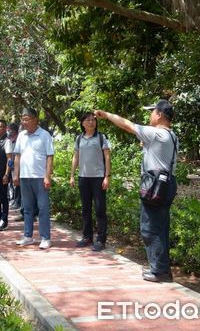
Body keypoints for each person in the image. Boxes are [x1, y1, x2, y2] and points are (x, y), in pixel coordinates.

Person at [95, 99, 179, 282]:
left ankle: (159, 271)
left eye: (152, 112)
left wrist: (107, 115)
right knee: (161, 226)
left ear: (159, 115)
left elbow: (127, 125)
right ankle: (162, 268)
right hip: (168, 183)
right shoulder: (172, 136)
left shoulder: (156, 134)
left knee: (149, 228)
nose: (150, 115)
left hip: (155, 185)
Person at [13, 108, 55, 250]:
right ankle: (28, 236)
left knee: (43, 208)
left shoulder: (44, 135)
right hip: (25, 177)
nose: (24, 122)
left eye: (27, 119)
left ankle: (45, 238)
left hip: (40, 178)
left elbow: (50, 156)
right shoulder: (21, 136)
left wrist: (47, 176)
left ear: (36, 119)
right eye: (23, 119)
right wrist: (16, 174)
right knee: (27, 209)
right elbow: (17, 156)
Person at [69, 112, 111, 252]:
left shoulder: (101, 137)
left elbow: (107, 157)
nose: (91, 122)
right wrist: (72, 175)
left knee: (100, 209)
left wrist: (107, 176)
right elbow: (76, 157)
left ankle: (101, 239)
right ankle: (87, 237)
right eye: (88, 120)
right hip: (83, 177)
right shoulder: (79, 138)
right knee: (86, 209)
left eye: (93, 120)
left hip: (98, 178)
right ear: (82, 123)